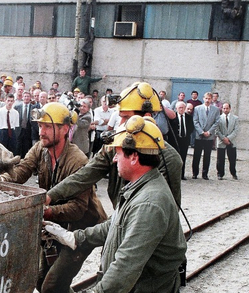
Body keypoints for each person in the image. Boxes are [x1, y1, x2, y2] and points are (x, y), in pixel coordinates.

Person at [43, 115, 186, 293]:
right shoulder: (140, 188)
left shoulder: (149, 203)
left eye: (119, 152)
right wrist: (76, 238)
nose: (115, 158)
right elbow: (115, 226)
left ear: (134, 156)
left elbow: (128, 262)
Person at [1, 102, 107, 293]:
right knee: (40, 280)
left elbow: (78, 210)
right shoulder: (40, 149)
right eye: (40, 126)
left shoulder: (77, 160)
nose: (42, 132)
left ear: (65, 130)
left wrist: (44, 210)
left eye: (48, 127)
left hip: (81, 231)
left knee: (51, 287)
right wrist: (0, 181)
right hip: (55, 227)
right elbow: (21, 171)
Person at [46, 81, 182, 212]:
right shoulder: (114, 146)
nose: (121, 124)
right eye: (120, 117)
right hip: (123, 217)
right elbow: (85, 175)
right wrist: (50, 196)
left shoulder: (169, 159)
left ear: (146, 117)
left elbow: (163, 210)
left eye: (126, 118)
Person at [192, 92, 220, 179]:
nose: (207, 100)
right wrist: (201, 132)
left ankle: (205, 173)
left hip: (209, 136)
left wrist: (209, 132)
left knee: (207, 155)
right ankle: (195, 173)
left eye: (209, 99)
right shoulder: (197, 108)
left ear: (212, 99)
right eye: (206, 98)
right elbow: (195, 121)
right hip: (199, 135)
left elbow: (217, 122)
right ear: (203, 98)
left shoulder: (216, 110)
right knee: (197, 155)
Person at [216, 103, 239, 180]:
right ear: (222, 109)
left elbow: (236, 130)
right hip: (221, 141)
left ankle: (233, 173)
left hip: (231, 141)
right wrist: (223, 138)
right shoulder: (218, 118)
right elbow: (217, 130)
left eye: (227, 108)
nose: (225, 110)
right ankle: (220, 174)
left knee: (232, 159)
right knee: (220, 159)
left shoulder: (235, 118)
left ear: (230, 109)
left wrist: (228, 138)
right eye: (224, 108)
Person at [174, 101, 194, 180]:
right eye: (180, 108)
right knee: (175, 158)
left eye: (183, 108)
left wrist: (186, 134)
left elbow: (191, 128)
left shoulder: (189, 117)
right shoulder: (173, 117)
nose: (181, 109)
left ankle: (182, 174)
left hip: (185, 140)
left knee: (183, 157)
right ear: (176, 108)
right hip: (176, 141)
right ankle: (175, 174)